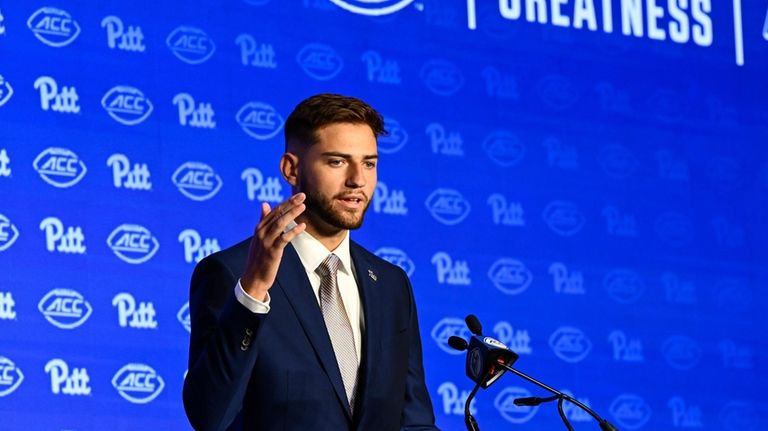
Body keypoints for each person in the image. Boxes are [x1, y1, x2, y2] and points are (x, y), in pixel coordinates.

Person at [183, 93, 438, 431]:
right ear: (291, 168)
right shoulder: (232, 273)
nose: (357, 180)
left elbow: (414, 421)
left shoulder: (392, 285)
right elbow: (209, 415)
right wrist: (254, 290)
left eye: (369, 163)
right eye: (337, 161)